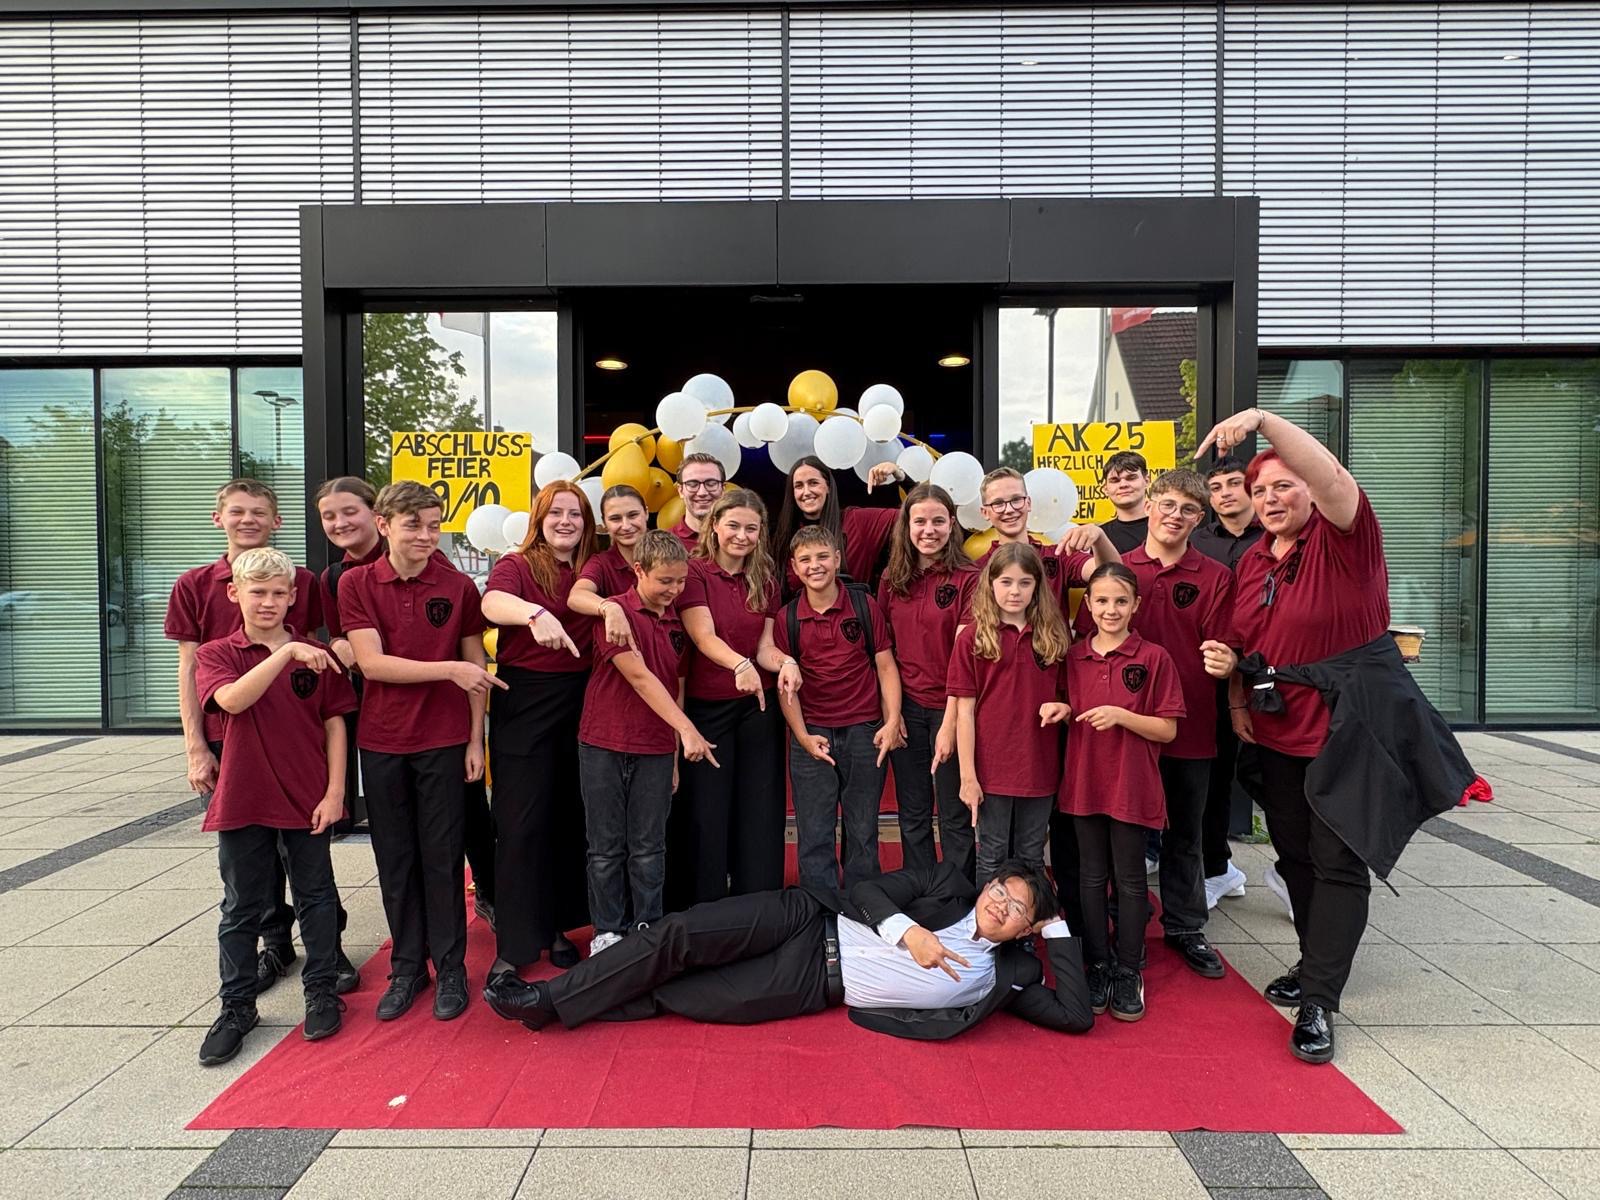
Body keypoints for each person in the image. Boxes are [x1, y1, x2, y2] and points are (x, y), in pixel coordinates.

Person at [1202, 407, 1392, 1065]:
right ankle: (1316, 962)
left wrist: (1263, 420)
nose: (1270, 498)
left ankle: (1319, 999)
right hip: (1278, 729)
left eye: (1284, 485)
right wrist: (1236, 696)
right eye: (1260, 490)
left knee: (1338, 861)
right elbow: (1242, 639)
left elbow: (1333, 476)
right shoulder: (1256, 559)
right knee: (1296, 853)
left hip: (1347, 728)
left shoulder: (1345, 540)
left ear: (1310, 490)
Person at [482, 858, 1092, 1041]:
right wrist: (910, 933)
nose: (998, 905)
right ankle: (546, 1001)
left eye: (1016, 909)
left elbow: (1075, 1016)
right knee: (678, 937)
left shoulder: (1006, 975)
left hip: (810, 985)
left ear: (1028, 929)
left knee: (681, 994)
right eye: (999, 891)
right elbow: (868, 891)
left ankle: (568, 1004)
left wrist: (1057, 927)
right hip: (805, 920)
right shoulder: (947, 886)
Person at [164, 479, 356, 996]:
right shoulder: (195, 584)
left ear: (276, 521)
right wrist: (195, 746)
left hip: (292, 728)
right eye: (237, 511)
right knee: (251, 856)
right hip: (228, 732)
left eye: (258, 512)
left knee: (307, 854)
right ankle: (274, 944)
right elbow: (189, 669)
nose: (247, 520)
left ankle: (326, 949)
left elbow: (311, 644)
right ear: (218, 518)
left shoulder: (301, 580)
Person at [339, 481, 502, 1022]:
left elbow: (476, 666)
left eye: (434, 525)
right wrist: (448, 670)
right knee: (396, 859)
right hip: (382, 740)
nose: (427, 536)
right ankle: (407, 967)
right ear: (384, 525)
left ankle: (451, 967)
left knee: (443, 857)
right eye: (414, 525)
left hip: (446, 741)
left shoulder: (458, 586)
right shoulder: (356, 583)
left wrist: (476, 739)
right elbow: (372, 663)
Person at [194, 548, 357, 1065]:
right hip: (244, 798)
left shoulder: (318, 654)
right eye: (257, 592)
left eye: (278, 593)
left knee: (317, 897)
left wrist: (336, 792)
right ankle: (237, 1007)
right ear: (234, 594)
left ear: (293, 597)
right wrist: (284, 655)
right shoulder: (217, 653)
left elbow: (335, 723)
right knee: (241, 907)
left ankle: (322, 991)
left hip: (308, 797)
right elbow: (232, 700)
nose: (268, 602)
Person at [1074, 469, 1238, 981]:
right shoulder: (1118, 570)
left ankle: (1186, 926)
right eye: (1167, 504)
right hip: (1120, 735)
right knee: (1120, 835)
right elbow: (1083, 645)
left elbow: (1226, 647)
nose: (1175, 516)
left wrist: (1230, 668)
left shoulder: (1215, 576)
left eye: (1188, 509)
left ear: (1199, 518)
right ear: (1149, 505)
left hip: (1187, 727)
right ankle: (1121, 924)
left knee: (1184, 833)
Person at [576, 530, 716, 954]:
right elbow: (639, 677)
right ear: (639, 570)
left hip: (655, 748)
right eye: (665, 581)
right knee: (605, 848)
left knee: (650, 847)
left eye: (681, 581)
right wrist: (688, 730)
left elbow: (675, 685)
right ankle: (607, 930)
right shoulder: (615, 613)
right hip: (604, 743)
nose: (674, 590)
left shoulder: (678, 622)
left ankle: (647, 927)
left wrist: (673, 752)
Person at [481, 481, 596, 979]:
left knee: (569, 818)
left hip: (583, 700)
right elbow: (491, 603)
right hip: (525, 702)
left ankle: (556, 927)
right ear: (539, 520)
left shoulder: (592, 568)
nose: (565, 521)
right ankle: (516, 943)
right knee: (521, 824)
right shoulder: (518, 564)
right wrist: (535, 613)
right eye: (556, 513)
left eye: (575, 513)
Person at [1060, 564, 1184, 1023]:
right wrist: (1060, 708)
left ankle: (1129, 968)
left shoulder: (1154, 658)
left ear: (1135, 605)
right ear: (1088, 606)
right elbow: (1069, 704)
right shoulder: (1074, 656)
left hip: (1132, 784)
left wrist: (1121, 715)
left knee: (1130, 880)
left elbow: (1167, 729)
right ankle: (1098, 964)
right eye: (1101, 601)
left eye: (1120, 601)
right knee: (1090, 877)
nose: (1110, 609)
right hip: (1084, 782)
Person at [673, 489, 797, 906]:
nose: (742, 535)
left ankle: (758, 906)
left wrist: (785, 662)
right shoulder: (694, 572)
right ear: (714, 526)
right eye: (733, 526)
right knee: (707, 812)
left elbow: (765, 647)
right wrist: (739, 665)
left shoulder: (766, 578)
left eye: (751, 528)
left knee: (760, 810)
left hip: (757, 708)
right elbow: (702, 635)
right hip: (707, 709)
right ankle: (706, 908)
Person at [775, 526, 903, 891]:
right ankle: (821, 907)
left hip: (864, 731)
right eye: (805, 560)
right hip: (813, 734)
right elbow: (787, 690)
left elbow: (885, 667)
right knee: (814, 831)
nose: (814, 566)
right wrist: (802, 736)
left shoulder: (864, 606)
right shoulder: (787, 618)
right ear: (794, 567)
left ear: (837, 559)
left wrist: (892, 720)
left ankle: (862, 905)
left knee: (863, 829)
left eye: (822, 557)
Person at [947, 543, 1072, 886]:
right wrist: (968, 776)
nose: (1015, 591)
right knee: (992, 853)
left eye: (1024, 583)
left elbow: (1069, 698)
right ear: (990, 584)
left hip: (1039, 764)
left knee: (1031, 854)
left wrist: (1064, 708)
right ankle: (988, 920)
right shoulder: (973, 638)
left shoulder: (1053, 636)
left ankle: (1027, 918)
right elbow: (964, 713)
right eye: (1006, 582)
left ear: (1037, 587)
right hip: (992, 767)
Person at [877, 483, 979, 880]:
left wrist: (950, 724)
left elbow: (963, 658)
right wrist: (892, 713)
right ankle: (920, 889)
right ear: (907, 526)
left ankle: (956, 892)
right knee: (913, 811)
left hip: (951, 709)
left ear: (952, 524)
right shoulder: (892, 578)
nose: (929, 530)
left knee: (953, 812)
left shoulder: (969, 578)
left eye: (938, 521)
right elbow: (884, 653)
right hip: (906, 707)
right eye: (920, 521)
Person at [1192, 456, 1268, 911]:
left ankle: (1295, 870)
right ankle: (1217, 867)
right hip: (1217, 674)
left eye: (1234, 484)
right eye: (1216, 487)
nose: (1224, 494)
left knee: (1273, 778)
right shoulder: (1199, 540)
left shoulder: (1276, 536)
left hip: (1272, 670)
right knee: (1215, 778)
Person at [974, 467, 1119, 601]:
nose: (1009, 509)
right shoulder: (978, 570)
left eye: (1016, 500)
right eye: (998, 503)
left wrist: (1099, 538)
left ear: (1028, 503)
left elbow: (1114, 575)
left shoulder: (1058, 556)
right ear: (985, 512)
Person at [771, 455, 901, 596]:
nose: (806, 492)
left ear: (828, 487)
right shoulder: (784, 535)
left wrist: (901, 476)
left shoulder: (856, 521)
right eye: (799, 486)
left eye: (813, 483)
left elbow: (913, 516)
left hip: (853, 608)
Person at [568, 483, 650, 644]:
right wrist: (610, 607)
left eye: (633, 515)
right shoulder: (601, 563)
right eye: (615, 519)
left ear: (646, 513)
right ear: (604, 523)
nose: (626, 526)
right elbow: (576, 596)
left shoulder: (668, 553)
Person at [668, 452, 726, 548]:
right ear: (680, 491)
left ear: (723, 489)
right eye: (692, 484)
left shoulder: (738, 541)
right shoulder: (665, 544)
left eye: (711, 484)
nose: (702, 493)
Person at [1098, 451, 1151, 554]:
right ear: (1105, 488)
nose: (1123, 485)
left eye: (1131, 478)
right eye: (1115, 480)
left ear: (1147, 481)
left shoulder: (1168, 527)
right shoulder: (1099, 538)